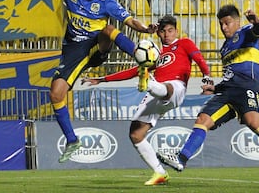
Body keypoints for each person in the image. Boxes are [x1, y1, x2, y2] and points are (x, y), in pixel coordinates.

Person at [157, 4, 259, 185]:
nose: (224, 28)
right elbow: (230, 76)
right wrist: (214, 89)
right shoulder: (224, 48)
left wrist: (255, 21)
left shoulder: (246, 32)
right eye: (221, 24)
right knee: (202, 120)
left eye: (228, 23)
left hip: (246, 86)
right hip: (228, 91)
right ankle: (181, 159)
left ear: (237, 22)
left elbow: (258, 30)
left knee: (253, 123)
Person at [36, 0, 157, 163]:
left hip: (97, 46)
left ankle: (139, 58)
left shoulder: (106, 0)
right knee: (55, 93)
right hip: (73, 50)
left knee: (108, 28)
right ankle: (72, 140)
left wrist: (145, 30)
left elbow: (130, 21)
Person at [83, 15, 212, 185]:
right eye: (163, 31)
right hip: (157, 93)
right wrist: (101, 79)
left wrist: (207, 76)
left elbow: (198, 58)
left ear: (176, 31)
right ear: (158, 33)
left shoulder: (184, 43)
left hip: (176, 87)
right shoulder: (154, 54)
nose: (167, 34)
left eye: (170, 31)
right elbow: (130, 72)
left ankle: (148, 83)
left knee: (167, 88)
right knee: (135, 134)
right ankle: (160, 173)